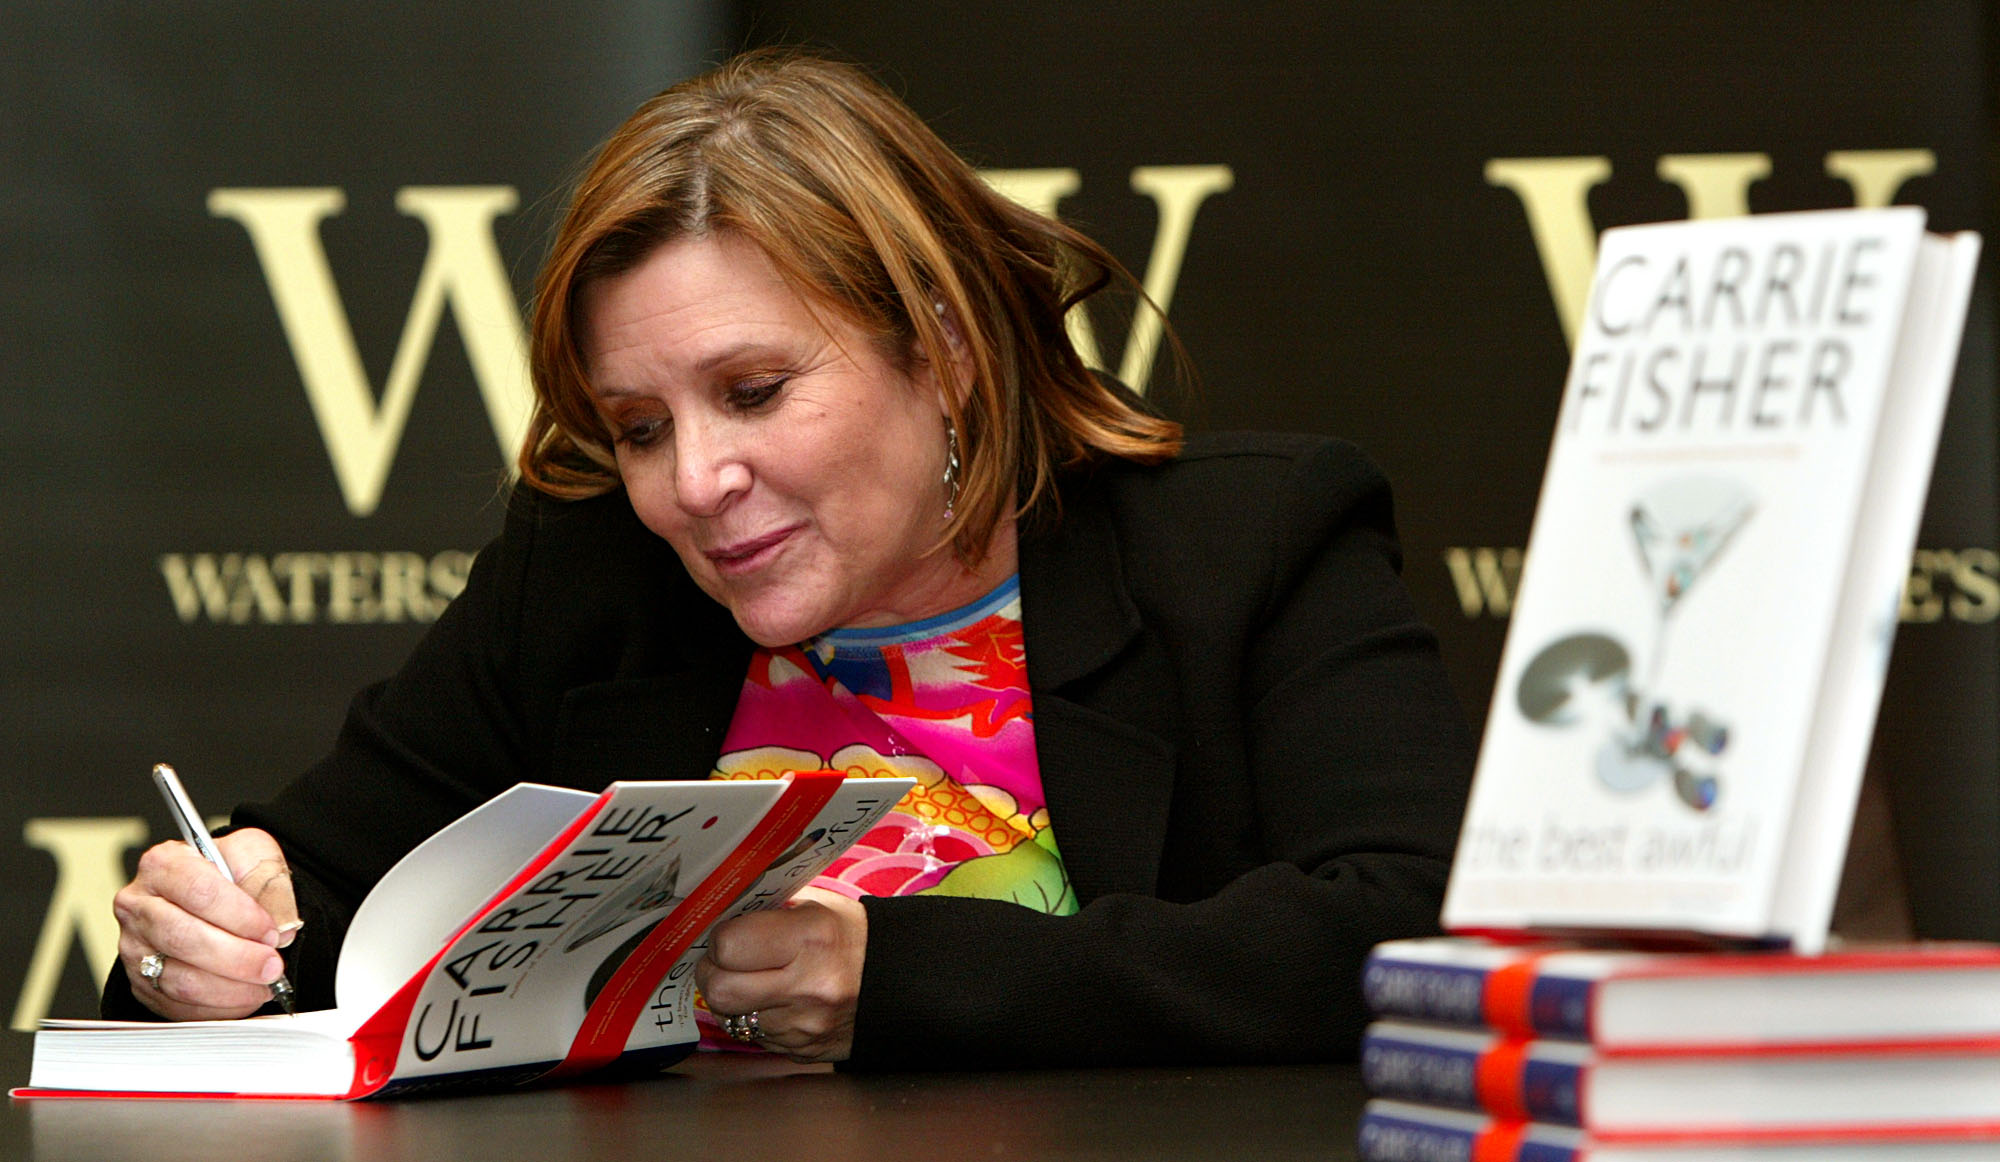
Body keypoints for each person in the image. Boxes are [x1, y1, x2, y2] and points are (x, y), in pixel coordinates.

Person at [105, 49, 1472, 1068]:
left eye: (755, 391)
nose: (695, 483)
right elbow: (320, 895)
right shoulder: (590, 578)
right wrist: (205, 943)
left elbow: (1410, 927)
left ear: (935, 344)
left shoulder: (1251, 542)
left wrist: (905, 977)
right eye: (640, 427)